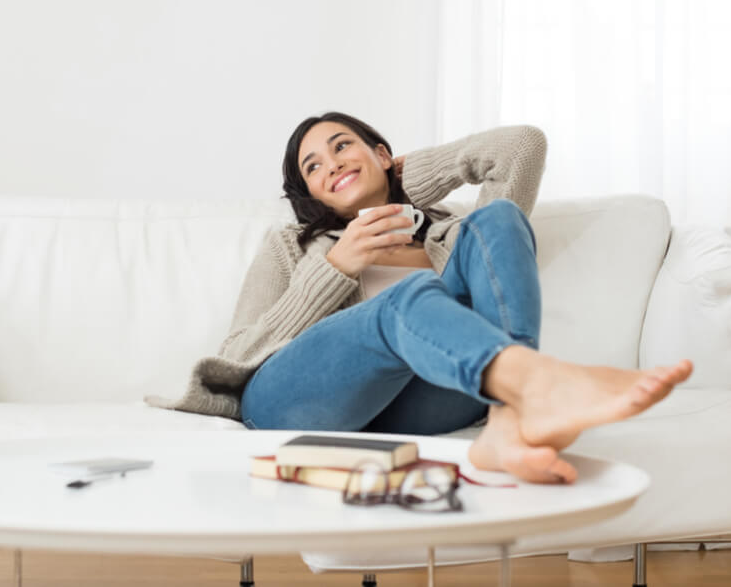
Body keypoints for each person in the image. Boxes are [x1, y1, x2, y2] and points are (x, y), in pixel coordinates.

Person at [146, 112, 693, 484]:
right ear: (309, 193)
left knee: (498, 217)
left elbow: (521, 146)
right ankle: (538, 390)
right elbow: (242, 349)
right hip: (295, 401)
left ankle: (511, 416)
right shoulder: (293, 246)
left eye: (343, 147)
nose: (331, 164)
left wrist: (411, 181)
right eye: (314, 166)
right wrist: (338, 267)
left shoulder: (450, 235)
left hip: (417, 403)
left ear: (383, 154)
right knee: (407, 299)